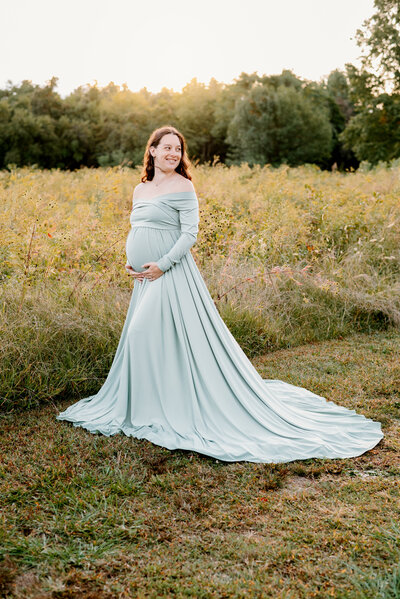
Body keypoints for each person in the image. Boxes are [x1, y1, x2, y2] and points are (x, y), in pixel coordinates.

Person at [57, 125, 383, 463]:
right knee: (158, 337)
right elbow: (138, 228)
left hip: (171, 274)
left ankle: (170, 407)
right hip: (145, 278)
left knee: (141, 333)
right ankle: (155, 401)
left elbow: (189, 235)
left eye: (178, 149)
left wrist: (163, 265)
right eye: (166, 147)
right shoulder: (140, 189)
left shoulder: (183, 186)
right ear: (151, 151)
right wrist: (131, 262)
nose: (173, 153)